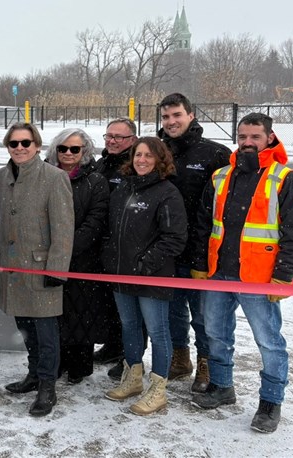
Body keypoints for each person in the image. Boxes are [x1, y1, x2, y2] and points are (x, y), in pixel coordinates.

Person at [191, 113, 293, 433]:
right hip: (219, 274)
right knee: (216, 333)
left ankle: (270, 402)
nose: (247, 142)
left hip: (259, 277)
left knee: (268, 342)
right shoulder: (220, 176)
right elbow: (204, 226)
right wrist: (201, 266)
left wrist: (284, 276)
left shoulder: (284, 179)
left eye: (255, 137)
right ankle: (221, 386)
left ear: (269, 138)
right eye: (242, 136)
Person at [0, 123, 74, 417]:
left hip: (40, 269)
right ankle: (34, 374)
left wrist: (56, 269)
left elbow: (63, 229)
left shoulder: (54, 178)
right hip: (12, 268)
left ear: (37, 145)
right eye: (13, 144)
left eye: (25, 143)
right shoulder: (0, 177)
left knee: (46, 332)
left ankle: (48, 386)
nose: (19, 148)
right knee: (25, 327)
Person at [101, 137, 187, 416]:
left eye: (149, 156)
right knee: (129, 327)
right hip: (120, 274)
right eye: (138, 155)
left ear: (159, 159)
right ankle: (133, 377)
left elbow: (175, 238)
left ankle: (158, 389)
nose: (142, 160)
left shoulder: (167, 192)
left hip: (152, 277)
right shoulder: (123, 188)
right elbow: (111, 231)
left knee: (158, 332)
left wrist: (146, 263)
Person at [158, 93, 231, 393]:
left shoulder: (215, 154)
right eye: (165, 117)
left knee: (203, 315)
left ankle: (206, 362)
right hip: (165, 250)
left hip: (201, 252)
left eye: (177, 115)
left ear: (191, 115)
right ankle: (180, 357)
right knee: (172, 310)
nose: (171, 122)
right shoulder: (156, 150)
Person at [44, 127, 110, 386]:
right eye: (63, 148)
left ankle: (80, 365)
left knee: (82, 312)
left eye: (75, 149)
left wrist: (67, 248)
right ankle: (56, 361)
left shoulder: (96, 180)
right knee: (54, 312)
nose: (68, 153)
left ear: (84, 151)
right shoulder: (46, 176)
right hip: (48, 257)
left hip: (83, 258)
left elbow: (96, 220)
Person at [93, 118, 137, 378]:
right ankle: (112, 345)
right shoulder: (102, 163)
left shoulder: (135, 165)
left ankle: (129, 356)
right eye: (108, 136)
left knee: (128, 308)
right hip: (103, 243)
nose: (111, 141)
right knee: (108, 302)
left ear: (132, 139)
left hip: (126, 246)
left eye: (118, 137)